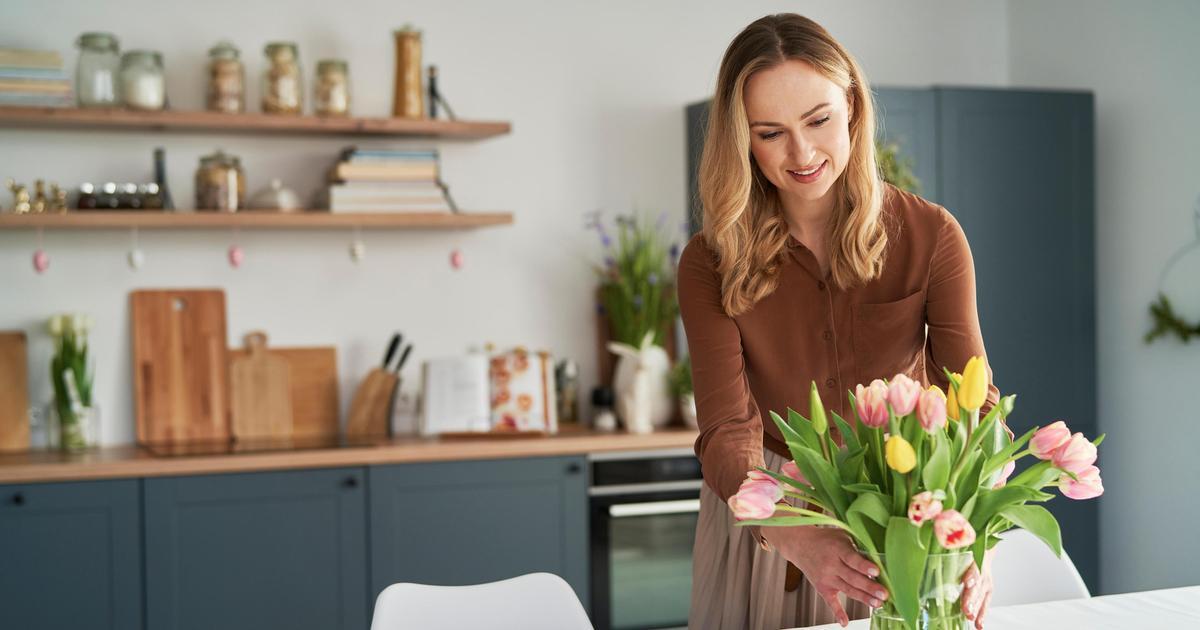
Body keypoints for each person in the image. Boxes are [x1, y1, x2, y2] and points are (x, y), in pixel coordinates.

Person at [678, 13, 1000, 630]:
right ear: (741, 139)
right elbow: (725, 427)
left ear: (852, 104)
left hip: (902, 501)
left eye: (818, 120)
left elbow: (973, 404)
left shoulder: (932, 237)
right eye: (770, 133)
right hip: (767, 506)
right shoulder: (708, 261)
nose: (801, 154)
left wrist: (971, 532)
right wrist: (791, 534)